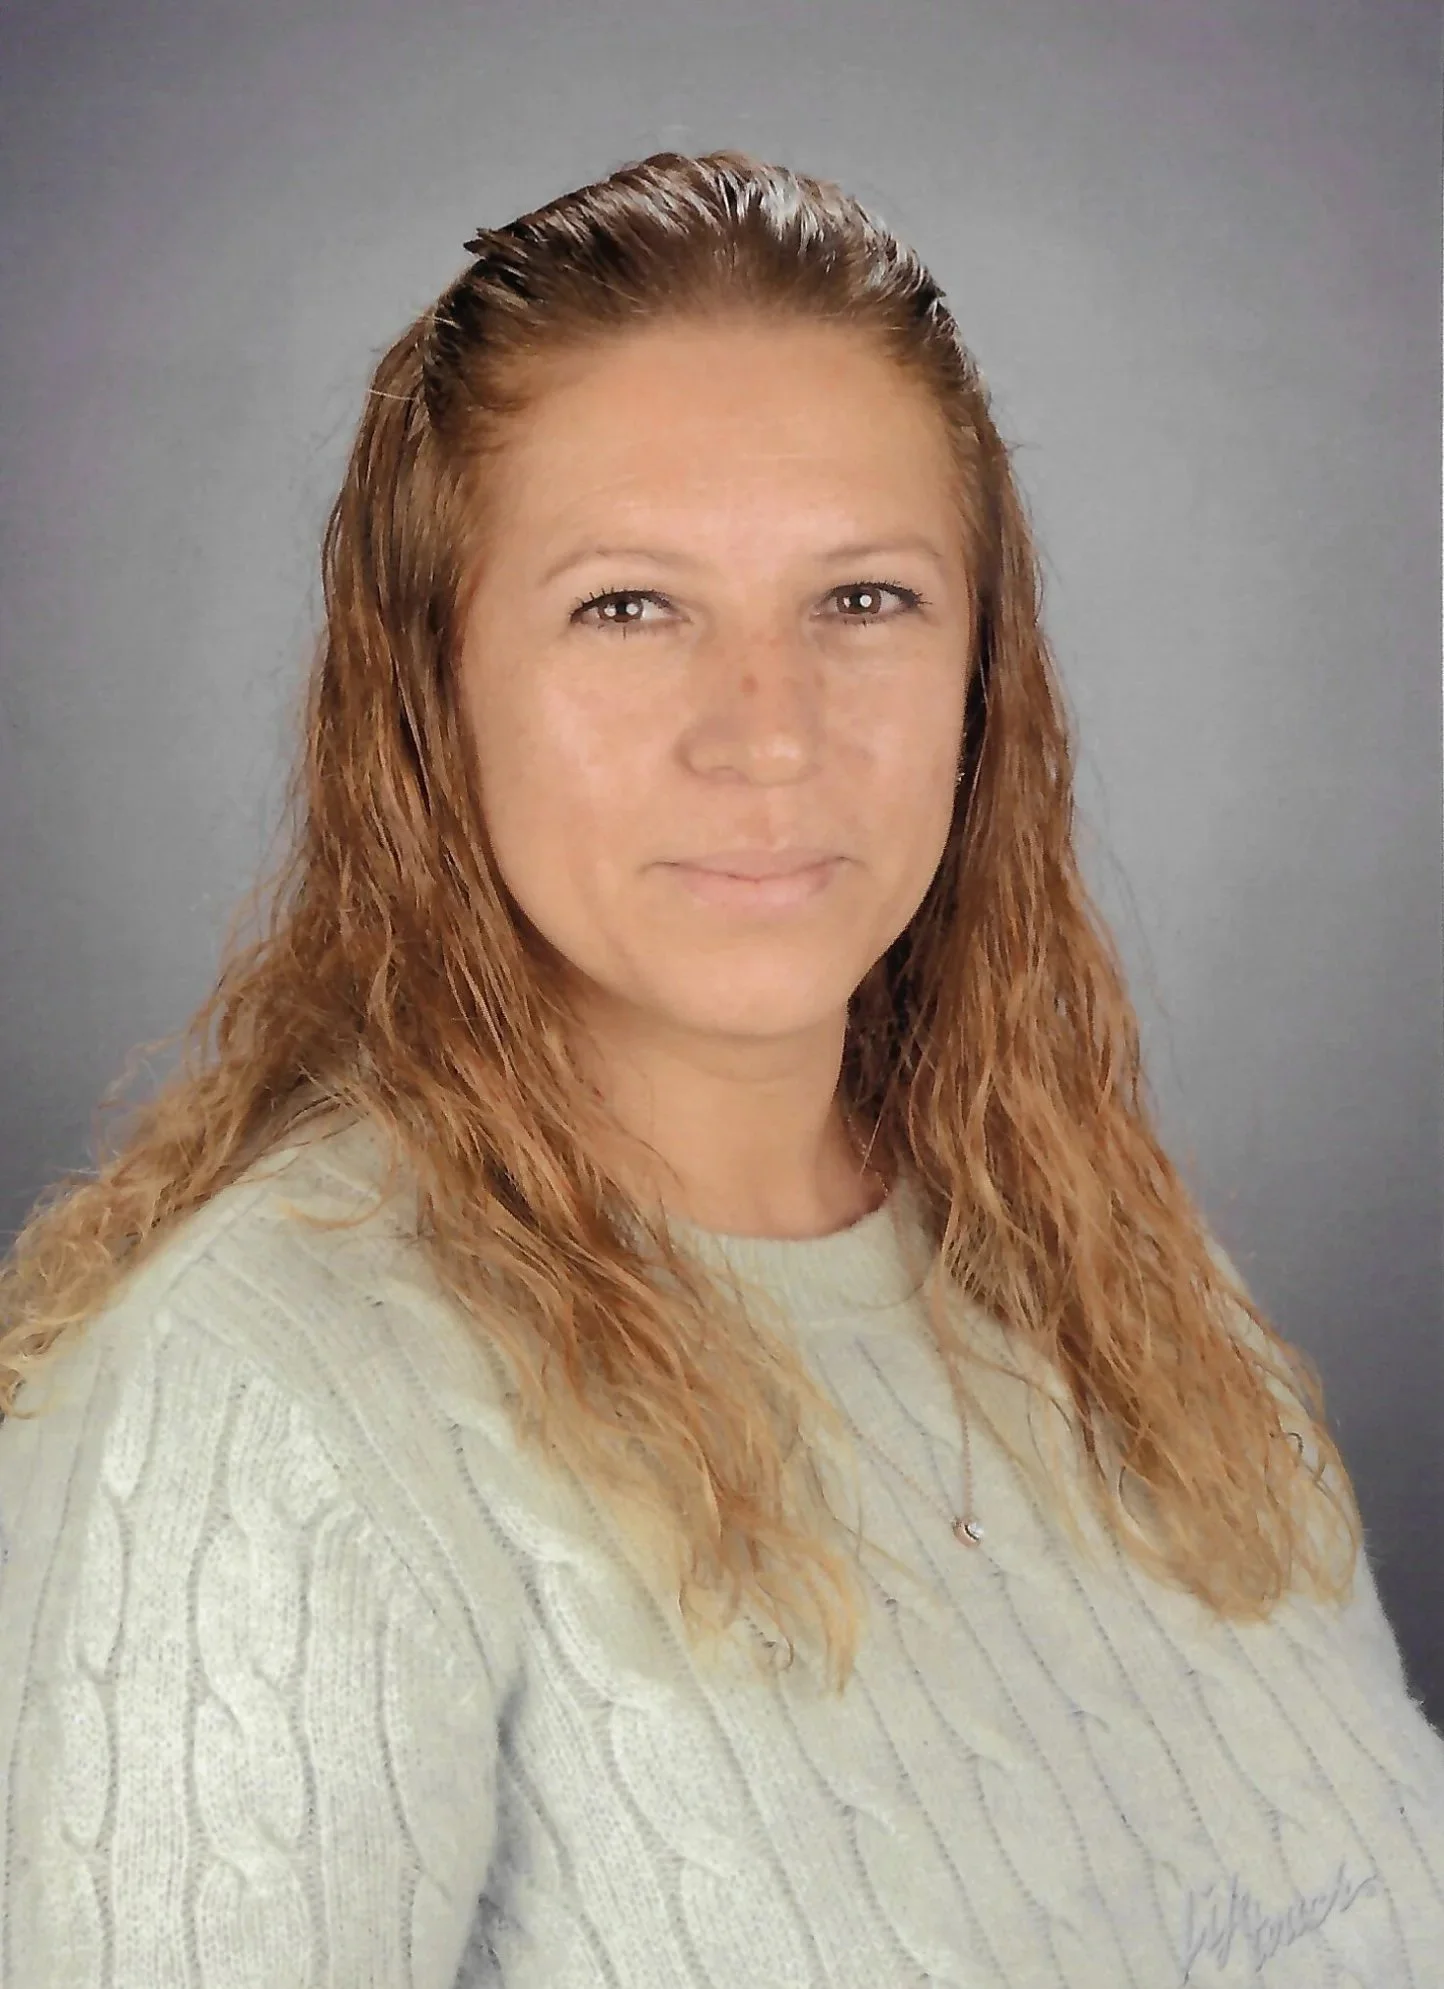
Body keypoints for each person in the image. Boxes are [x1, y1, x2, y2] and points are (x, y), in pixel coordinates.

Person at [0, 148, 1439, 1989]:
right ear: (428, 696)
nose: (768, 735)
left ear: (986, 679)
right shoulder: (265, 1410)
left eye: (865, 601)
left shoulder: (1134, 1296)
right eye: (628, 606)